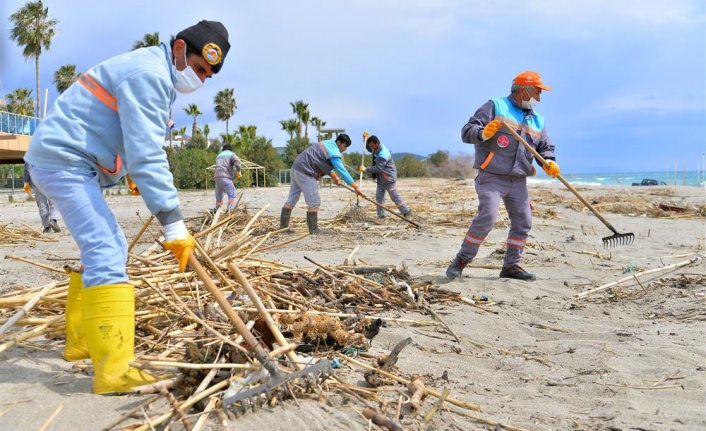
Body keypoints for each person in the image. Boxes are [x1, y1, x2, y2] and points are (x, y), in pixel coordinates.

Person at [23, 20, 230, 395]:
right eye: (199, 67)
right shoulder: (149, 74)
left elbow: (124, 132)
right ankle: (114, 372)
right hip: (64, 161)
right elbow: (148, 152)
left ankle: (82, 344)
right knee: (106, 248)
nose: (199, 78)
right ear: (180, 48)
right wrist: (173, 223)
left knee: (106, 247)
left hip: (66, 160)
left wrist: (129, 170)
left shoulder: (153, 70)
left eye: (207, 75)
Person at [446, 71, 561, 282]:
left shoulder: (537, 120)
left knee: (523, 221)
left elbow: (545, 147)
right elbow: (467, 131)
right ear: (524, 91)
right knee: (488, 216)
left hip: (518, 179)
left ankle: (511, 266)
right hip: (491, 176)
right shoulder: (495, 107)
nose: (539, 98)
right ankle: (461, 260)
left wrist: (549, 161)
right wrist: (483, 133)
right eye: (537, 92)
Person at [279, 133, 364, 234]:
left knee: (292, 199)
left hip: (296, 168)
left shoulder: (327, 143)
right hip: (306, 171)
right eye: (344, 146)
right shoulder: (334, 151)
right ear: (339, 142)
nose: (345, 149)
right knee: (314, 202)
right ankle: (314, 230)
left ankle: (283, 228)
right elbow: (342, 170)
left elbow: (324, 162)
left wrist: (334, 177)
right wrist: (355, 187)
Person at [359, 135, 411, 219]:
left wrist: (366, 169)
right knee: (379, 197)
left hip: (388, 178)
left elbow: (378, 168)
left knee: (394, 196)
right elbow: (369, 149)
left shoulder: (382, 154)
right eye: (370, 145)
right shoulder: (377, 148)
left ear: (377, 143)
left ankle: (406, 211)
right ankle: (381, 215)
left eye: (372, 145)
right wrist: (364, 141)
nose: (370, 148)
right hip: (382, 179)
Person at [23, 162, 61, 233]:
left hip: (38, 183)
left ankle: (46, 227)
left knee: (42, 205)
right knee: (54, 203)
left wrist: (26, 182)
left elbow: (27, 170)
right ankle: (53, 220)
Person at [213, 143, 242, 212]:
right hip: (225, 177)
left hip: (217, 177)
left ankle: (218, 208)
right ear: (230, 149)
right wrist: (239, 170)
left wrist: (233, 176)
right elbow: (237, 163)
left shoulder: (218, 156)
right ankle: (230, 209)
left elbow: (224, 167)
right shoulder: (231, 154)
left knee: (219, 194)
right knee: (232, 193)